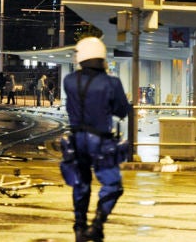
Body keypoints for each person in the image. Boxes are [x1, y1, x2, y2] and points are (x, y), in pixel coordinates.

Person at [63, 37, 130, 242]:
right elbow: (121, 110)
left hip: (76, 140)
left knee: (81, 184)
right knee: (112, 184)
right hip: (100, 140)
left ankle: (79, 227)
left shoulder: (69, 81)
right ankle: (97, 224)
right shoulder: (111, 82)